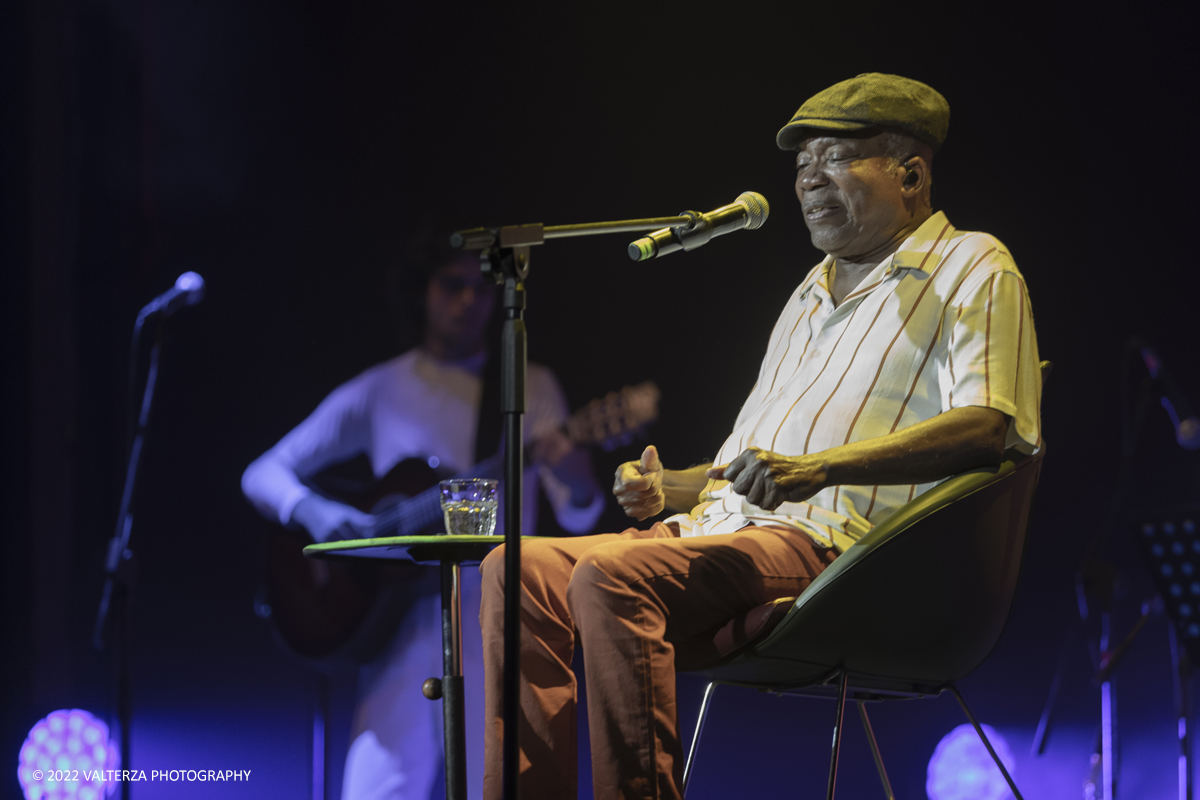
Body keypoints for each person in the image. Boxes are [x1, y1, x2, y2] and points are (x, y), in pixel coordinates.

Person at [477, 73, 1042, 800]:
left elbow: (992, 427)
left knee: (607, 576)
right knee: (511, 570)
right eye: (800, 164)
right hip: (717, 533)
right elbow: (750, 464)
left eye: (835, 158)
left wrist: (821, 470)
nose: (808, 179)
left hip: (839, 558)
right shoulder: (809, 291)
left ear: (910, 173)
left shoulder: (973, 264)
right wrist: (669, 485)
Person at [241, 240, 603, 800]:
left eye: (481, 289)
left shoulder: (530, 384)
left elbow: (581, 512)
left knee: (504, 784)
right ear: (423, 293)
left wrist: (576, 474)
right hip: (402, 633)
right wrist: (315, 512)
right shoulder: (380, 388)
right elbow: (263, 472)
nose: (468, 301)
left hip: (497, 624)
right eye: (451, 285)